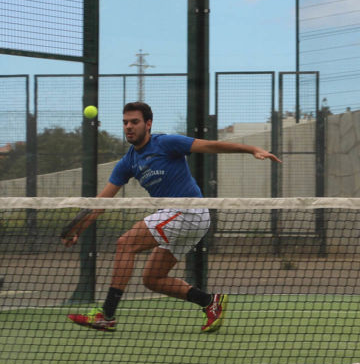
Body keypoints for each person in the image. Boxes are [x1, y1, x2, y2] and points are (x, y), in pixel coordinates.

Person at [62, 101, 281, 332]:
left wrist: (251, 149)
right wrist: (75, 228)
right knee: (152, 279)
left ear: (148, 124)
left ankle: (106, 315)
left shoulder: (166, 143)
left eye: (134, 122)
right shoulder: (127, 162)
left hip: (188, 211)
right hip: (180, 217)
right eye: (125, 122)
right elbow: (101, 202)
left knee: (125, 244)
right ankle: (209, 302)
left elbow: (211, 146)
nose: (128, 127)